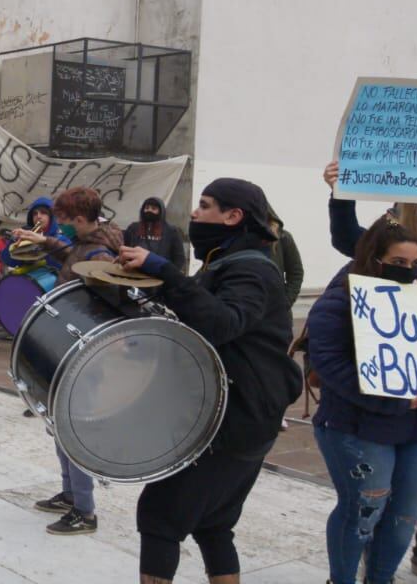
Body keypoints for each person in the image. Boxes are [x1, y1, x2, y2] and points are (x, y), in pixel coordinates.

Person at [117, 177, 302, 584]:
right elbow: (200, 313)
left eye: (205, 205)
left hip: (234, 418)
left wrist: (164, 270)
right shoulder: (227, 260)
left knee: (161, 518)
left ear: (233, 216)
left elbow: (223, 322)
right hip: (244, 413)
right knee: (213, 523)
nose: (195, 214)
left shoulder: (253, 270)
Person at [306, 215, 417, 584]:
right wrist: (397, 402)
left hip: (414, 429)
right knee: (363, 511)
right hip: (358, 428)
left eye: (415, 264)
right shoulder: (337, 303)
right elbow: (331, 367)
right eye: (399, 263)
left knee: (404, 515)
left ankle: (381, 578)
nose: (408, 271)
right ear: (375, 259)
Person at [12, 188, 124, 536]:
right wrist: (41, 241)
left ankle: (84, 510)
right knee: (60, 425)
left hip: (84, 353)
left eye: (63, 221)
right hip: (71, 349)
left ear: (79, 219)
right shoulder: (88, 242)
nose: (60, 226)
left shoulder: (102, 252)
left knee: (73, 429)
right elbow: (71, 255)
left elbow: (106, 300)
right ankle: (70, 492)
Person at [1, 196, 72, 274]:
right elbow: (9, 262)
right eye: (35, 213)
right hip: (30, 282)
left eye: (43, 213)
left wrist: (43, 243)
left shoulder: (62, 239)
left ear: (51, 217)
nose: (38, 216)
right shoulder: (26, 237)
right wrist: (15, 240)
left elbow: (65, 265)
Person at [122, 197, 187, 275]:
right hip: (135, 274)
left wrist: (171, 275)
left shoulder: (171, 231)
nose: (149, 210)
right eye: (146, 208)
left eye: (154, 208)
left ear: (161, 212)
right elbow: (126, 248)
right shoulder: (133, 228)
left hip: (160, 276)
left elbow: (179, 258)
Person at [264, 206, 303, 308]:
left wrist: (285, 302)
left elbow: (296, 273)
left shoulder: (283, 238)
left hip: (276, 314)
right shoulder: (236, 238)